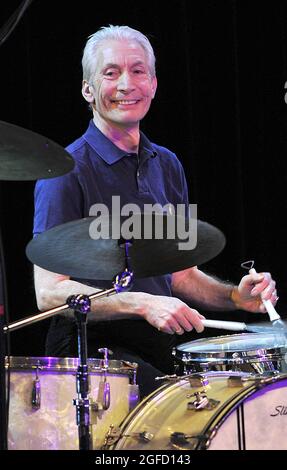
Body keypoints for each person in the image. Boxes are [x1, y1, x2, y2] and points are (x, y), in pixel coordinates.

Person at [33, 25, 278, 399]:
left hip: (157, 347)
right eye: (110, 73)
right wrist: (142, 302)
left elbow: (180, 276)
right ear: (88, 89)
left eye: (138, 71)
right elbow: (49, 292)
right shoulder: (66, 171)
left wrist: (234, 299)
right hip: (90, 351)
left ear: (154, 84)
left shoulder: (167, 164)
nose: (126, 84)